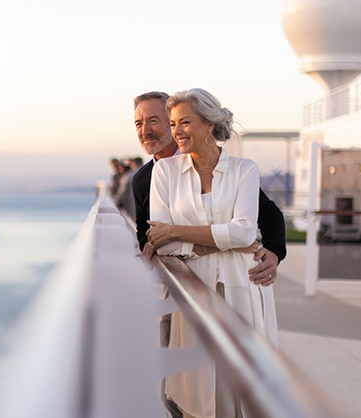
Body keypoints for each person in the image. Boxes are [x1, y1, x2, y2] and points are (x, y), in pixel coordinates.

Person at [146, 89, 278, 418]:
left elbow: (245, 231)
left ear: (208, 124)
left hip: (241, 285)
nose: (176, 131)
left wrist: (177, 231)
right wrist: (222, 240)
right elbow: (162, 242)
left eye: (185, 122)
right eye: (173, 123)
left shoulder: (244, 169)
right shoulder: (165, 172)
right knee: (196, 389)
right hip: (192, 291)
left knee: (241, 388)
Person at [131, 91, 286, 285]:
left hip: (239, 279)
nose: (145, 130)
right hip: (181, 283)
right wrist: (228, 245)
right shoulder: (143, 179)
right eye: (139, 123)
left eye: (153, 120)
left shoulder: (237, 169)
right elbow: (152, 238)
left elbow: (266, 216)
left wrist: (274, 252)